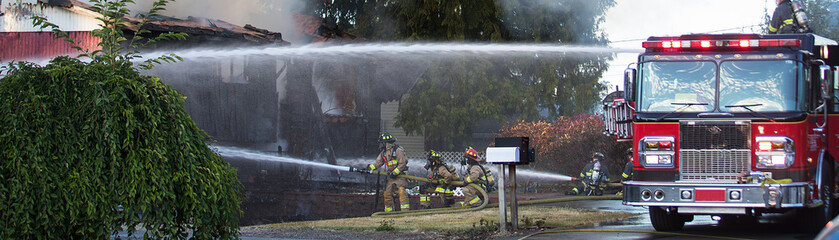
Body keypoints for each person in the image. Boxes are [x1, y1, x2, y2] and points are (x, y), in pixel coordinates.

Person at [368, 132, 410, 212]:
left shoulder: (398, 150)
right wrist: (370, 167)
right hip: (391, 176)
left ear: (387, 143)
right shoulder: (384, 153)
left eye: (382, 143)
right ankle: (389, 212)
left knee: (401, 191)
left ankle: (405, 211)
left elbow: (402, 164)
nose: (381, 145)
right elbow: (378, 163)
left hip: (401, 176)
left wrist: (395, 173)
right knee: (387, 193)